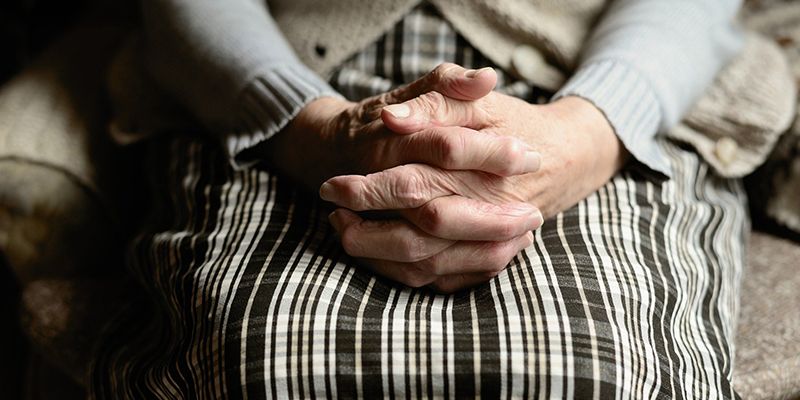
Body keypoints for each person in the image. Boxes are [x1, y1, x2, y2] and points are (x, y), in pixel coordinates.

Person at [93, 0, 751, 397]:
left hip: (590, 89)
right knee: (260, 366)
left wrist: (588, 131)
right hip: (284, 87)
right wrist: (307, 126)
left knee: (594, 375)